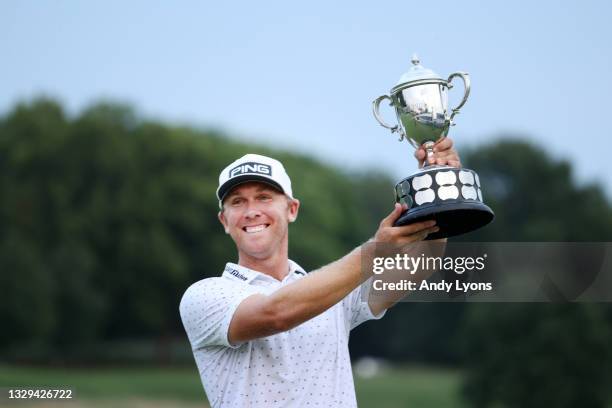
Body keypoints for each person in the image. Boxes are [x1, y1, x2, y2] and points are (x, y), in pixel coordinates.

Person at [180, 138, 460, 407]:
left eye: (264, 197)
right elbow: (276, 314)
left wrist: (436, 191)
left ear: (291, 209)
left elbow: (420, 263)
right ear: (224, 220)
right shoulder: (205, 295)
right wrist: (375, 250)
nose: (251, 211)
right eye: (237, 202)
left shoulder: (331, 290)